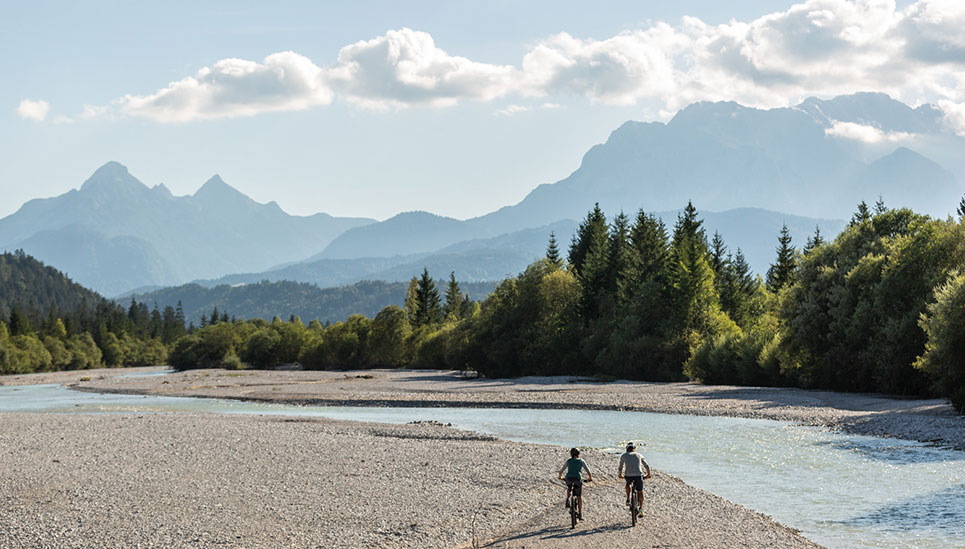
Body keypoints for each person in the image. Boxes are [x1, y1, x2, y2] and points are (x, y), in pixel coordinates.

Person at [558, 447, 592, 520]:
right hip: (577, 479)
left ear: (571, 454)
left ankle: (568, 498)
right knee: (579, 497)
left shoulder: (568, 461)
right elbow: (588, 472)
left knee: (569, 487)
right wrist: (589, 478)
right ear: (578, 454)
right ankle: (580, 514)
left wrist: (560, 477)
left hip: (569, 478)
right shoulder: (581, 461)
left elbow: (561, 471)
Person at [618, 442, 651, 517]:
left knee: (627, 484)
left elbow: (620, 467)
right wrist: (648, 474)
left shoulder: (623, 455)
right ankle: (641, 509)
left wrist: (620, 474)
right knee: (640, 491)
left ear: (627, 449)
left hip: (628, 475)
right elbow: (646, 465)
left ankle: (628, 499)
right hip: (638, 475)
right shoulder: (639, 455)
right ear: (634, 449)